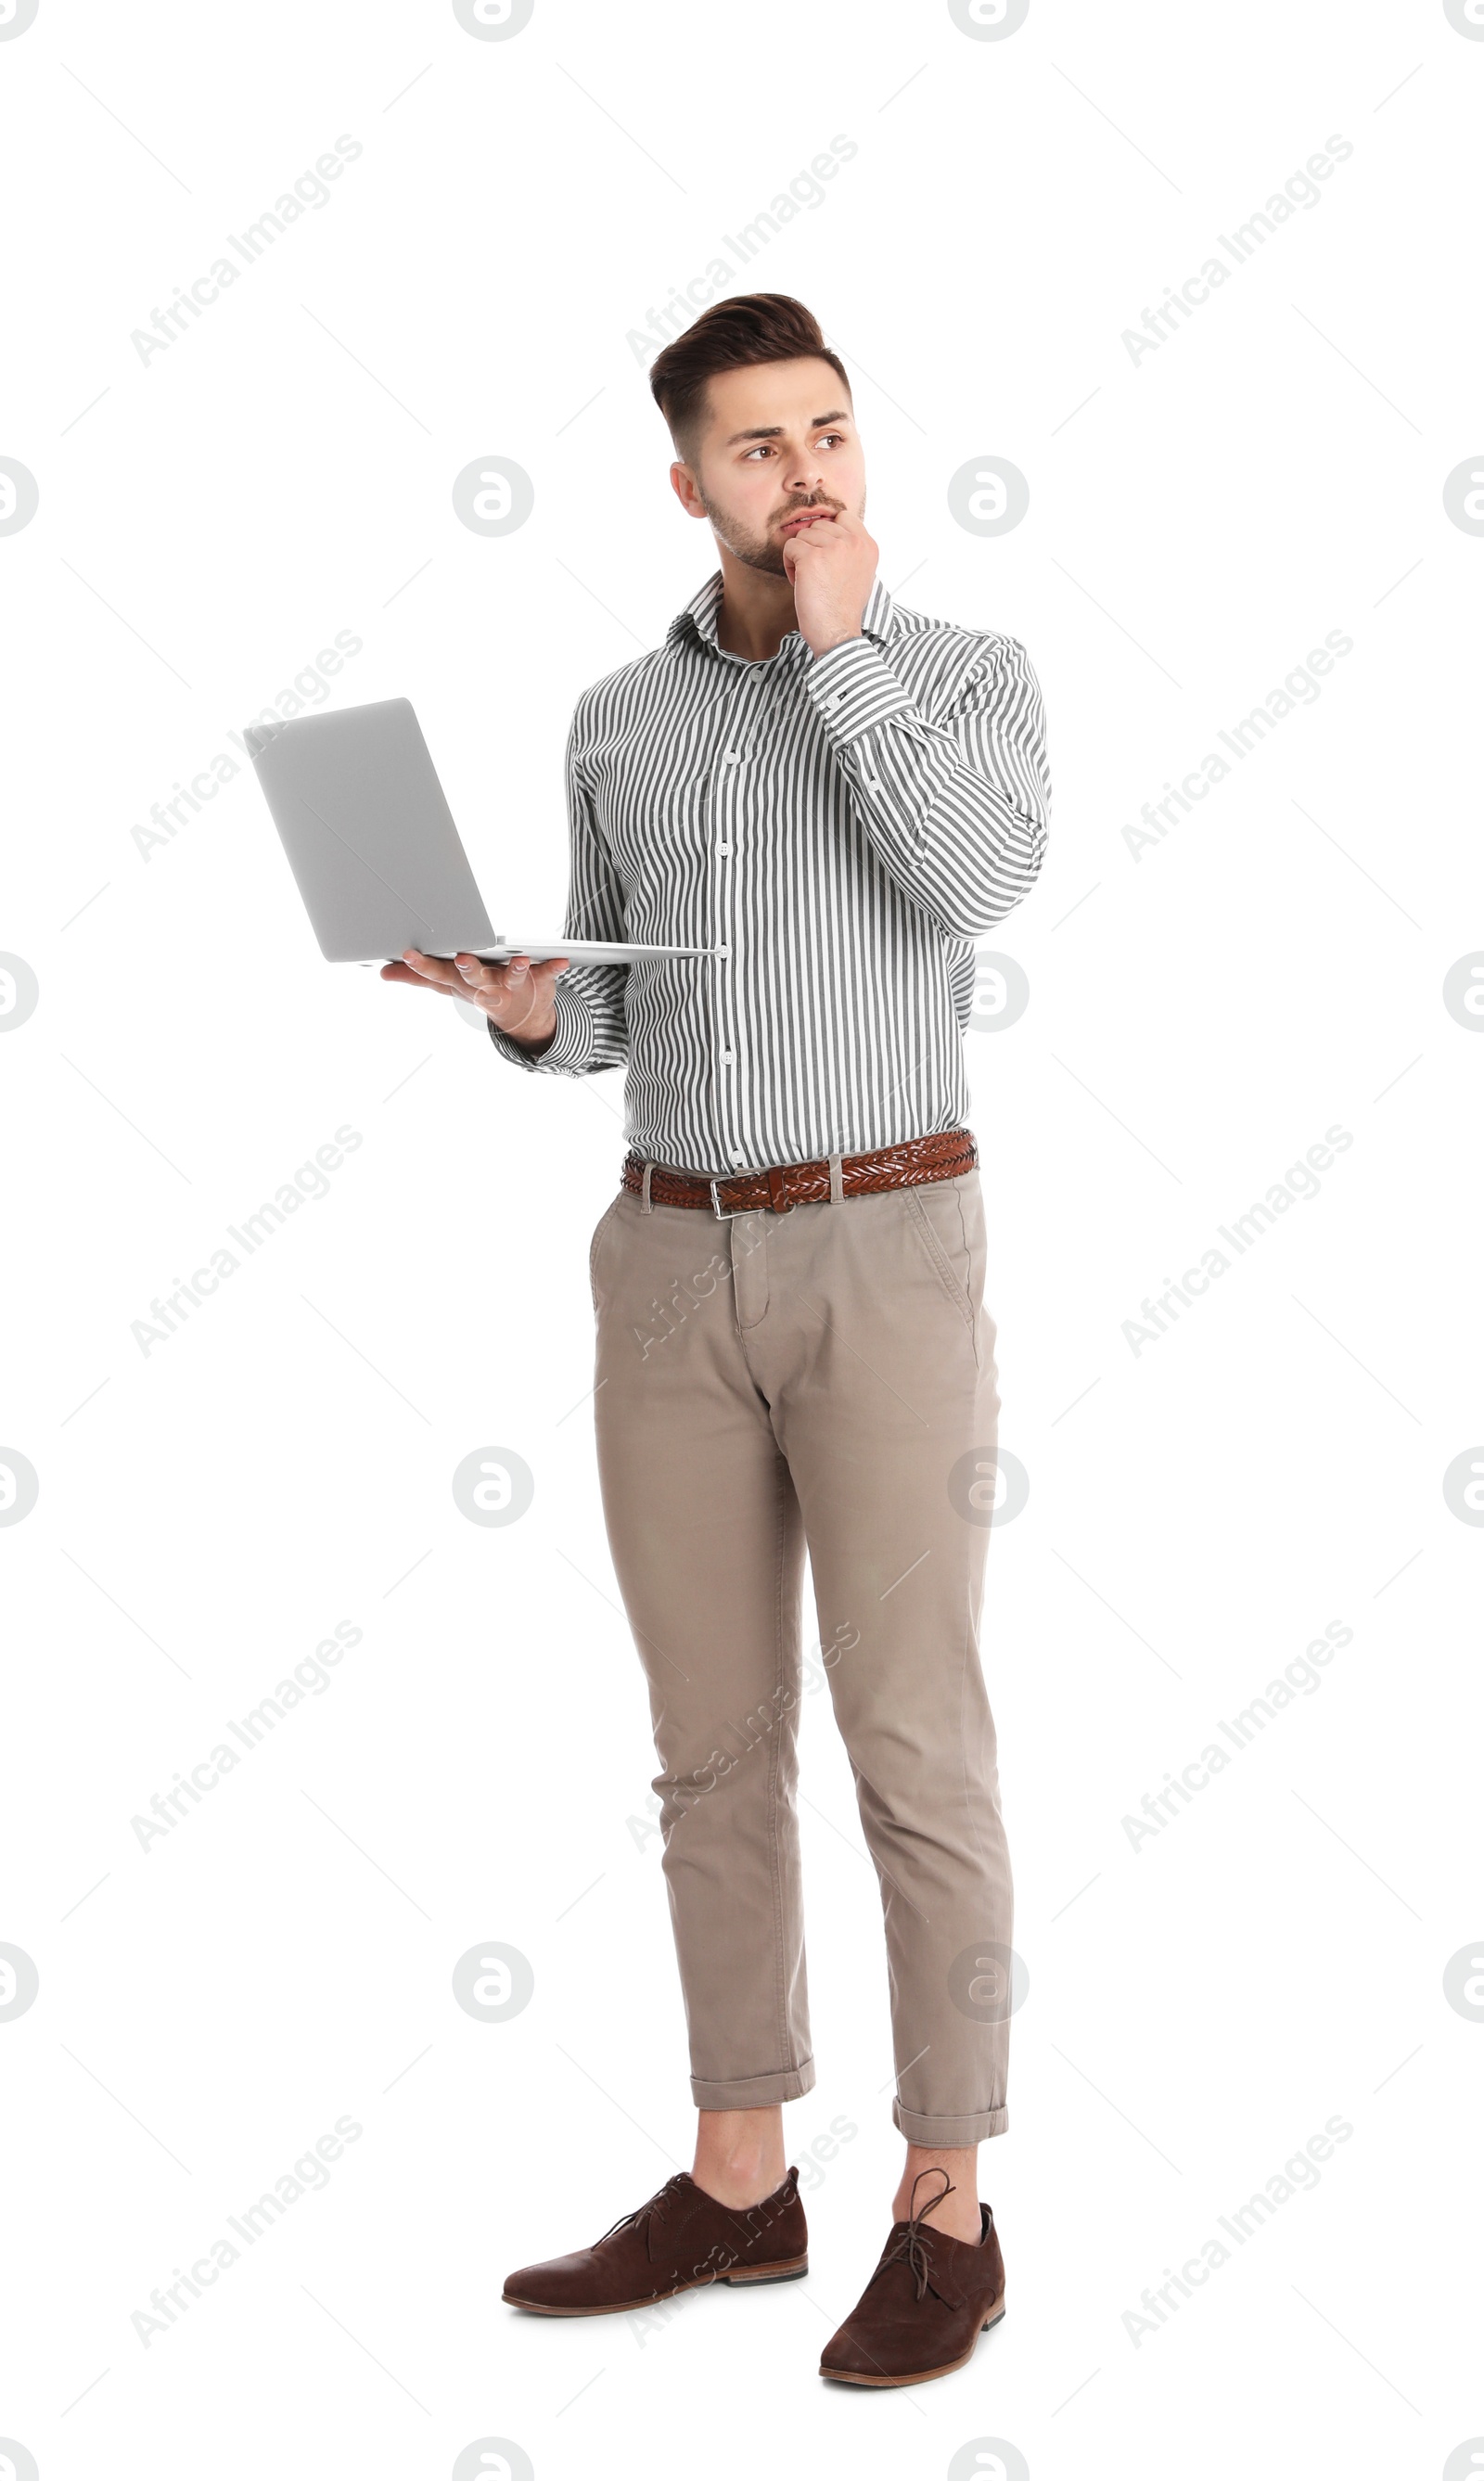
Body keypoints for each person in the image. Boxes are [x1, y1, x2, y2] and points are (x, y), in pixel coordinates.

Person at [383, 292, 1050, 2388]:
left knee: (912, 1743)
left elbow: (978, 881)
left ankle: (945, 2203)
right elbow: (619, 1005)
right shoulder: (617, 717)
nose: (809, 472)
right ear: (688, 484)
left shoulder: (960, 679)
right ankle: (740, 2179)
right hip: (667, 1267)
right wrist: (518, 1007)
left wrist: (844, 654)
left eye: (831, 428)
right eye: (758, 448)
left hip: (886, 1250)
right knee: (705, 1749)